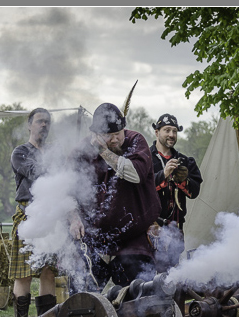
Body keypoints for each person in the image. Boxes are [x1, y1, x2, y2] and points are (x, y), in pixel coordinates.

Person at [67, 102, 161, 291]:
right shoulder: (81, 152)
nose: (116, 139)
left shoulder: (136, 141)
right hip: (95, 240)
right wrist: (74, 218)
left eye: (119, 132)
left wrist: (104, 151)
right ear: (96, 134)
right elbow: (67, 190)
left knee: (139, 299)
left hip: (133, 238)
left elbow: (135, 174)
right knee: (82, 299)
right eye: (110, 136)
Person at [8, 108, 58, 317]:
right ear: (30, 125)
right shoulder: (20, 152)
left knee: (48, 273)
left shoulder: (54, 151)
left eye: (47, 122)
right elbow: (34, 173)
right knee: (24, 274)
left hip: (49, 215)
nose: (44, 125)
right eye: (39, 121)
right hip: (28, 214)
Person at [149, 113, 203, 272]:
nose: (171, 135)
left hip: (175, 229)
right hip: (150, 228)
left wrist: (182, 181)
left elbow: (194, 192)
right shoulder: (144, 158)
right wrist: (163, 175)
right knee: (148, 275)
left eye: (174, 131)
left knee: (171, 276)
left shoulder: (185, 161)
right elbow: (139, 188)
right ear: (157, 132)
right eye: (167, 130)